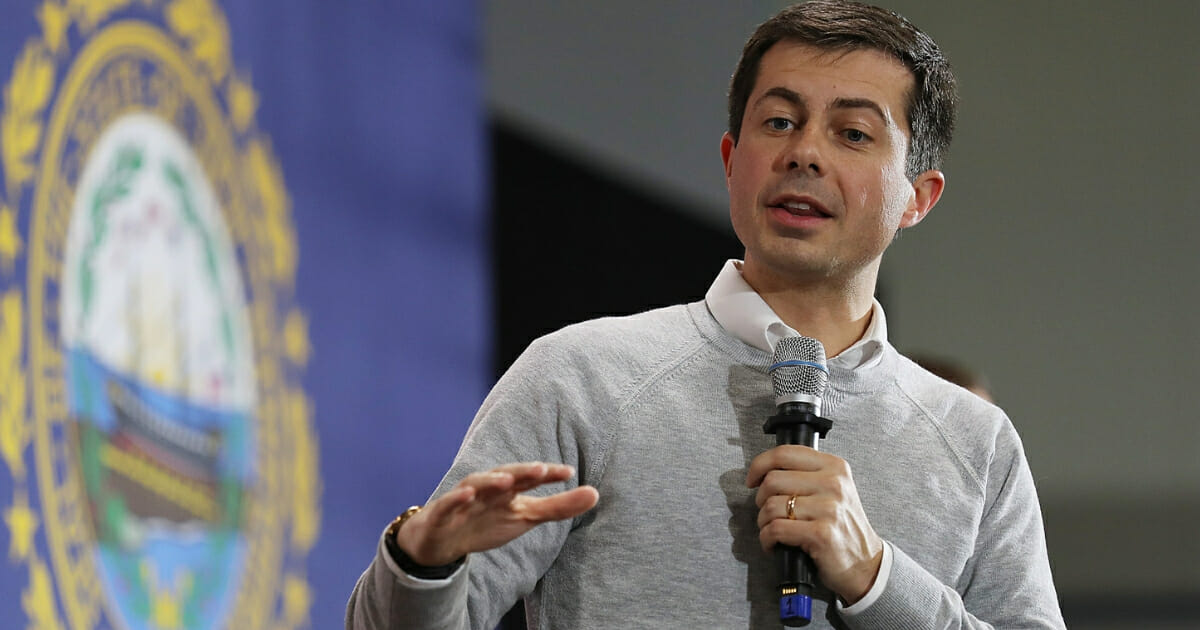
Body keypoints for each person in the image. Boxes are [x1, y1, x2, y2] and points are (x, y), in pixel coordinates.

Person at [346, 1, 1065, 627]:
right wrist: (422, 562)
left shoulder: (976, 443)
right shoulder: (583, 375)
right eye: (779, 122)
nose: (803, 153)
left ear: (918, 196)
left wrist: (877, 579)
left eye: (851, 133)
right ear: (731, 159)